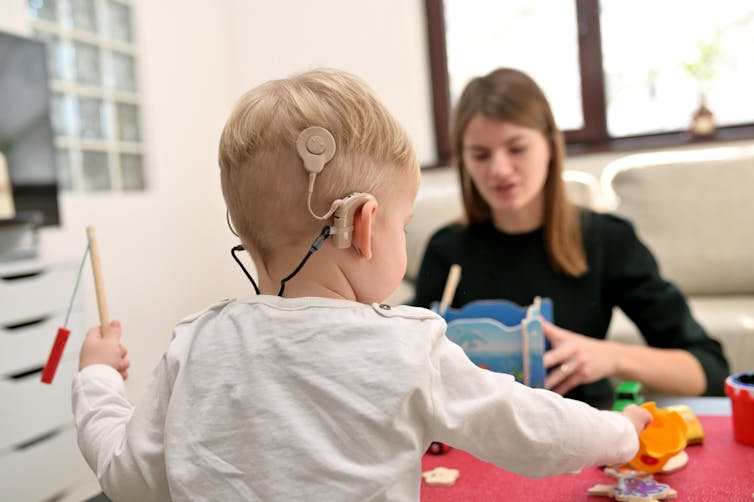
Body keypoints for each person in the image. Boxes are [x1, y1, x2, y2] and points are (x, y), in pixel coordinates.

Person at [72, 68, 651, 501]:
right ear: (365, 224)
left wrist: (96, 377)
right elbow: (533, 430)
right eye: (404, 223)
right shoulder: (409, 345)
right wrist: (619, 434)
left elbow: (126, 477)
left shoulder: (192, 343)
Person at [413, 67, 730, 406]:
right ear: (464, 161)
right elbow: (409, 362)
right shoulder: (447, 250)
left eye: (517, 148)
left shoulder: (607, 239)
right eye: (480, 155)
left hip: (585, 425)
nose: (500, 170)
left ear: (551, 146)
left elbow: (709, 369)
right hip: (475, 435)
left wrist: (610, 357)